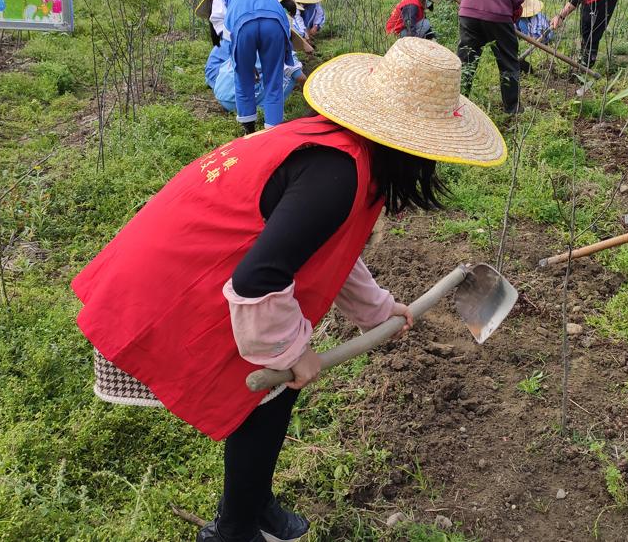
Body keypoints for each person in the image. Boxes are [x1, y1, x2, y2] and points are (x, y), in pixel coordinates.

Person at [71, 38, 507, 542]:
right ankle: (234, 529)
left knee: (271, 397)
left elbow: (327, 252)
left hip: (203, 265)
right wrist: (293, 351)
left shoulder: (348, 156)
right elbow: (257, 280)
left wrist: (379, 310)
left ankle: (253, 505)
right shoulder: (336, 174)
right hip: (169, 283)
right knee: (270, 393)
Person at [199, 0, 292, 133]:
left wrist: (243, 63)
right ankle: (273, 134)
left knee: (243, 79)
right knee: (273, 81)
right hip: (275, 25)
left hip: (243, 27)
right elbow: (270, 11)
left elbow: (226, 34)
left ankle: (249, 133)